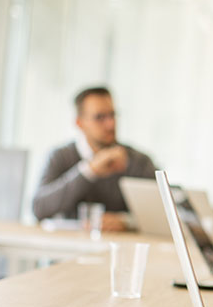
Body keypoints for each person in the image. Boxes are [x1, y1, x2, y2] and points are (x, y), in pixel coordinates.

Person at [33, 87, 156, 231]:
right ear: (79, 123)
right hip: (68, 248)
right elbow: (39, 209)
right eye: (100, 117)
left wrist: (126, 221)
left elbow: (162, 214)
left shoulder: (138, 161)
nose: (111, 124)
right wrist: (89, 171)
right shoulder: (60, 156)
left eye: (112, 115)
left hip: (120, 249)